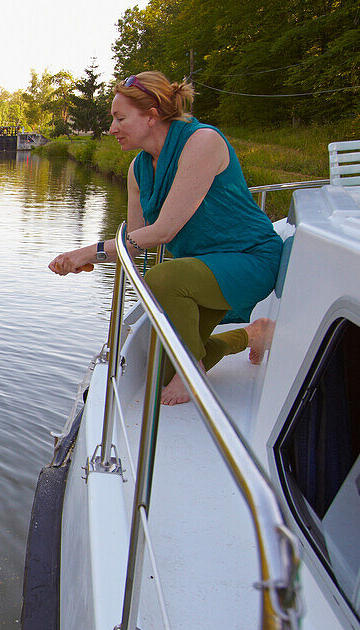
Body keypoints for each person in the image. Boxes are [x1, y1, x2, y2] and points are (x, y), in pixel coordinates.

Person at [48, 71, 279, 405]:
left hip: (251, 259)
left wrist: (88, 251)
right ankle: (251, 335)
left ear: (152, 115)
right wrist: (89, 259)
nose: (112, 128)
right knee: (162, 373)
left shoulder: (202, 142)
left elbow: (163, 232)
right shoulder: (138, 170)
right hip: (203, 270)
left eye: (120, 118)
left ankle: (192, 368)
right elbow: (136, 240)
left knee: (164, 278)